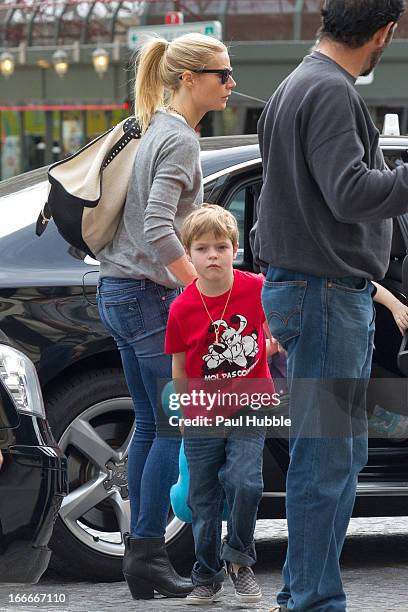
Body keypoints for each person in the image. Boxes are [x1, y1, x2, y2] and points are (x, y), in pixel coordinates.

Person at [251, 1, 408, 610]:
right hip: (322, 296)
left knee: (333, 456)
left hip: (314, 292)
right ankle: (313, 602)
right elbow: (348, 193)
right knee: (328, 460)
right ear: (383, 32)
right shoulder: (330, 91)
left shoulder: (297, 83)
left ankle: (303, 594)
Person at [96, 34, 235, 600]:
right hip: (146, 299)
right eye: (221, 74)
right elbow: (157, 225)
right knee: (172, 427)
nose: (230, 82)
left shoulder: (159, 128)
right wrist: (201, 290)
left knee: (155, 426)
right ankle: (147, 554)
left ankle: (143, 559)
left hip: (120, 291)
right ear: (188, 79)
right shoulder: (177, 139)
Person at [165, 204, 275, 605]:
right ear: (189, 254)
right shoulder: (182, 307)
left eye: (222, 246)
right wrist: (180, 408)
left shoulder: (256, 288)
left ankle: (240, 561)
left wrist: (271, 337)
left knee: (246, 482)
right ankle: (206, 575)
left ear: (234, 250)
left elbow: (274, 324)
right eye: (202, 248)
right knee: (203, 498)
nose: (213, 255)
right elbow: (179, 365)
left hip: (250, 405)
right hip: (200, 413)